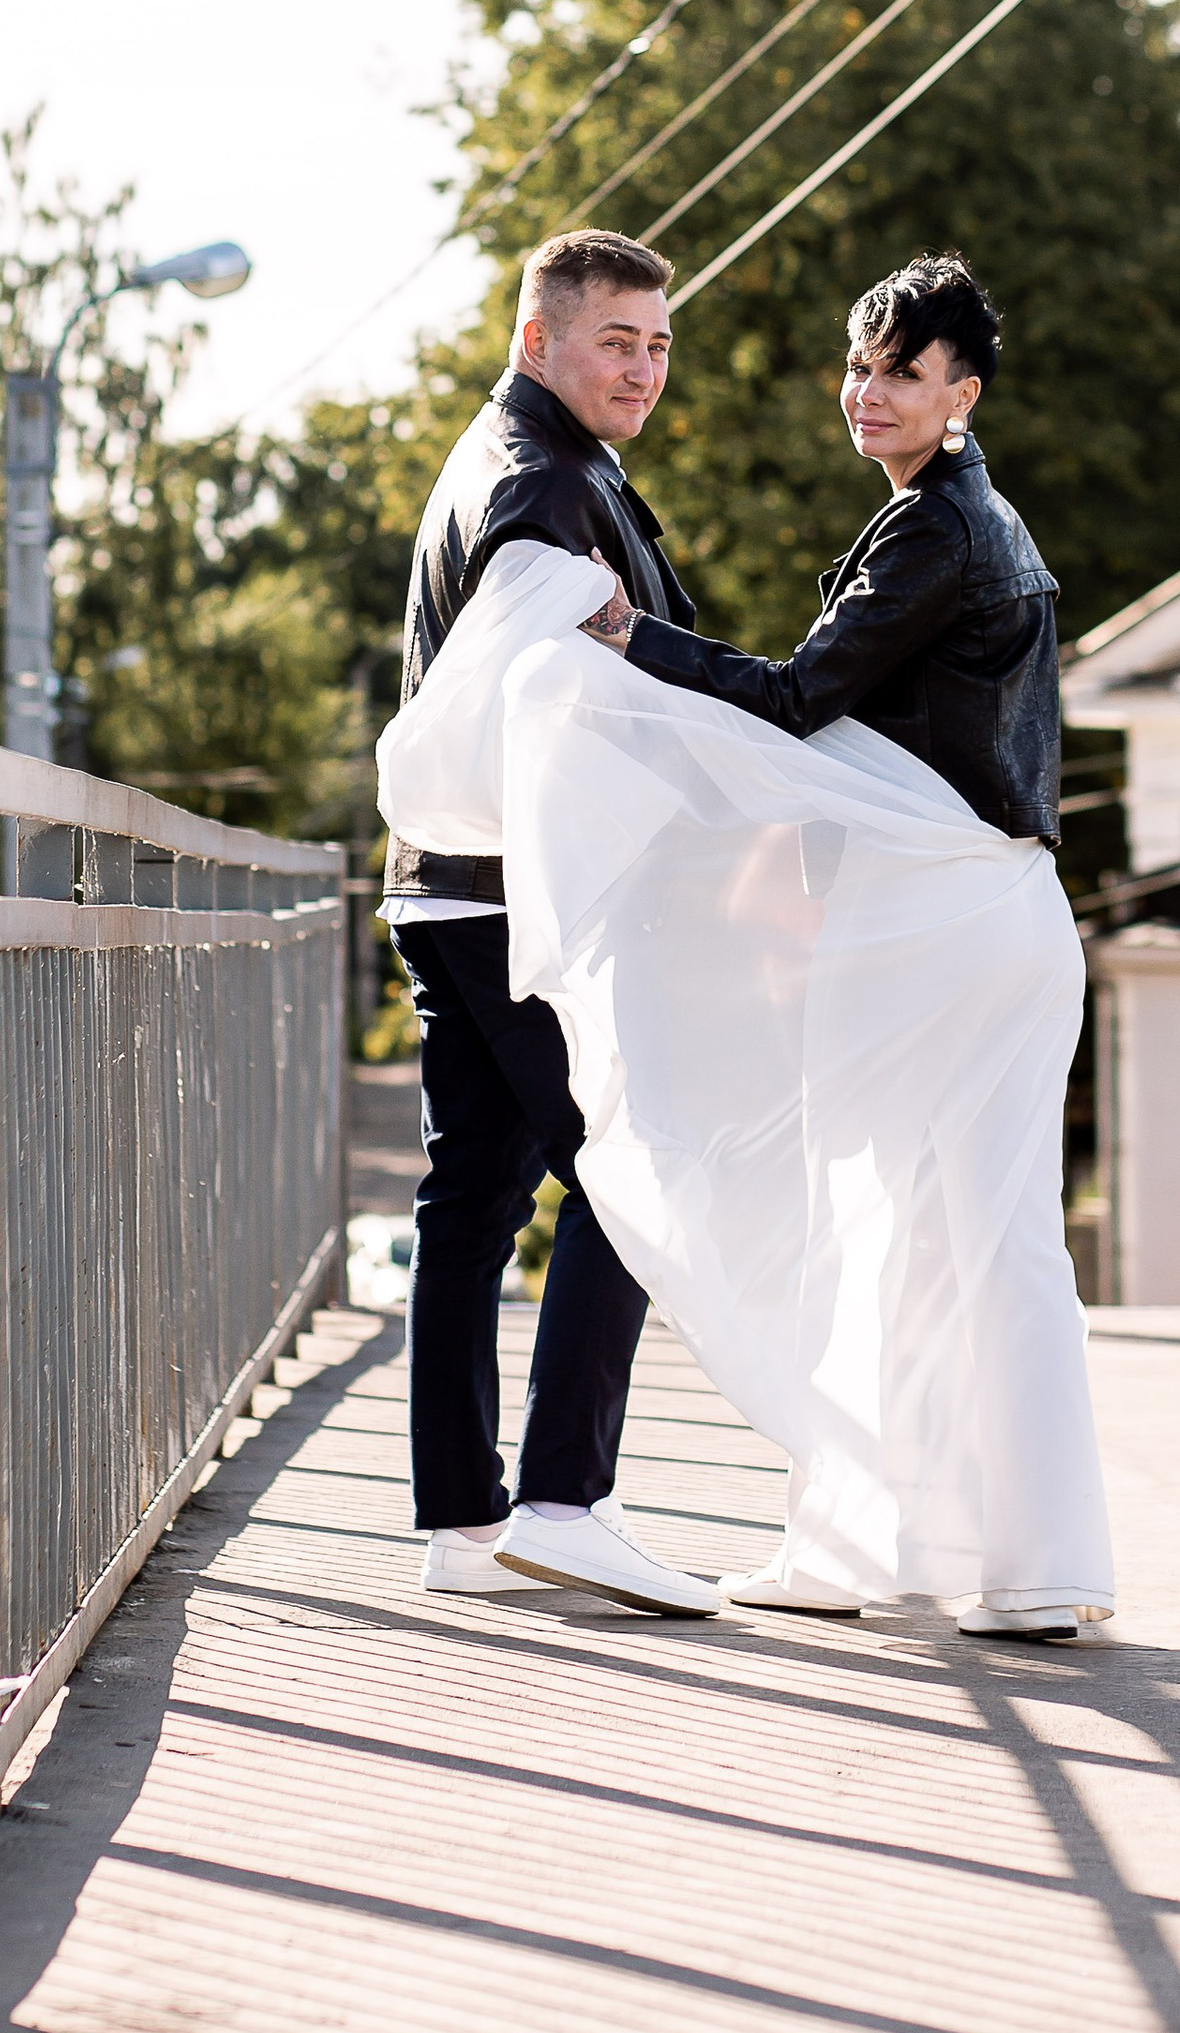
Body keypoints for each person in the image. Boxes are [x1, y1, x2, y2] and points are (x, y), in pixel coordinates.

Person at [379, 246, 1112, 1641]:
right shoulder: (551, 479)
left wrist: (636, 641)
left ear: (963, 391)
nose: (868, 393)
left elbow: (793, 701)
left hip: (952, 930)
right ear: (540, 339)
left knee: (935, 1232)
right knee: (834, 1213)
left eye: (901, 372)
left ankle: (997, 1560)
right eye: (860, 365)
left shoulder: (939, 528)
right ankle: (634, 1523)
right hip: (915, 917)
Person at [383, 227, 722, 1617]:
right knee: (625, 1173)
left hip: (445, 881)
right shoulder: (538, 482)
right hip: (521, 896)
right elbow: (581, 662)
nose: (641, 367)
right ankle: (565, 1499)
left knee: (470, 1198)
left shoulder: (509, 454)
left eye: (655, 343)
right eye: (613, 341)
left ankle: (464, 1528)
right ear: (541, 343)